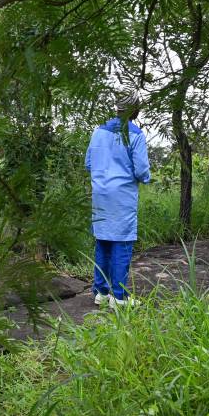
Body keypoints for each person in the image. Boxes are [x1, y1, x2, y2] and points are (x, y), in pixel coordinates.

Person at [85, 88, 151, 308]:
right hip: (121, 196)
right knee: (122, 243)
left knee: (102, 241)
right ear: (134, 109)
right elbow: (142, 170)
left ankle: (101, 293)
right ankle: (119, 297)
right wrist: (147, 177)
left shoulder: (98, 132)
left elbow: (88, 163)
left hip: (100, 194)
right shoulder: (135, 134)